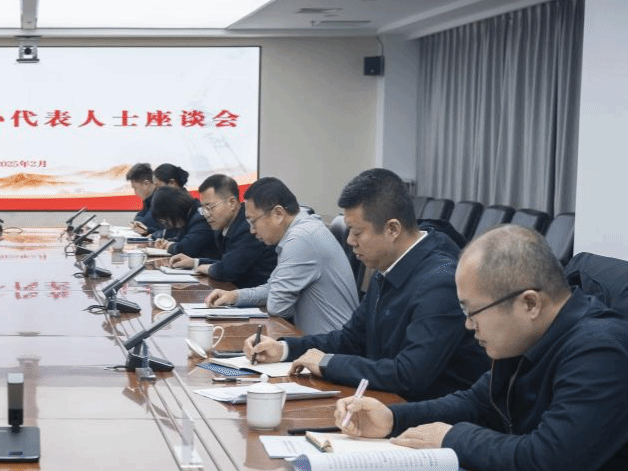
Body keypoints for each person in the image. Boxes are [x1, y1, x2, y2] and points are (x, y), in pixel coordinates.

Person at [336, 224, 628, 471]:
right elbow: (475, 402)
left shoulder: (600, 350)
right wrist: (393, 418)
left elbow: (549, 460)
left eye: (474, 311)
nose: (468, 325)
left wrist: (451, 439)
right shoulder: (529, 336)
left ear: (529, 303)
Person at [245, 169, 486, 400]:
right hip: (385, 400)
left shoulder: (440, 281)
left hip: (425, 414)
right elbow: (351, 339)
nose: (350, 241)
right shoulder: (388, 265)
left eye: (357, 232)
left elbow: (410, 375)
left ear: (392, 229)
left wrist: (328, 363)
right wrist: (284, 348)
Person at [205, 177, 358, 335]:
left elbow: (277, 306)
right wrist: (235, 296)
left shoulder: (300, 239)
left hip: (327, 344)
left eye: (253, 221)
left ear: (278, 214)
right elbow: (274, 288)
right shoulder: (301, 230)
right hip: (312, 338)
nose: (252, 230)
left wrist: (276, 297)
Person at [166, 174, 275, 288]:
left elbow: (228, 270)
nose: (206, 214)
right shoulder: (223, 227)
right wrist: (194, 262)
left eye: (210, 207)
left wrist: (203, 267)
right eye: (203, 209)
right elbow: (225, 261)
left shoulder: (247, 227)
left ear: (231, 203)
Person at [148, 186, 215, 259]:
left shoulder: (200, 218)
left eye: (166, 220)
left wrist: (169, 246)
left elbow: (186, 248)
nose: (169, 224)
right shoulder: (189, 215)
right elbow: (181, 239)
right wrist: (167, 242)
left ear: (171, 211)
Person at [126, 162, 160, 235]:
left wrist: (138, 223)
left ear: (146, 184)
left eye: (135, 188)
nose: (135, 192)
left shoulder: (161, 198)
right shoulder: (148, 199)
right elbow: (137, 219)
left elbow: (145, 224)